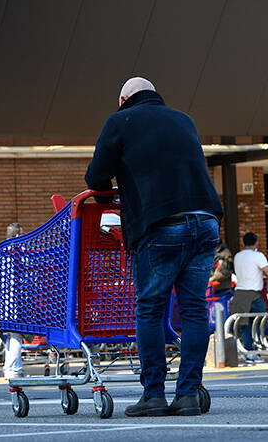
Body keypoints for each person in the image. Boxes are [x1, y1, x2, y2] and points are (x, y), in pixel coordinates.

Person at [85, 77, 223, 417]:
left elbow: (96, 176)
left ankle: (154, 395)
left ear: (123, 99)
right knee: (193, 310)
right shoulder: (184, 118)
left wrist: (110, 191)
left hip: (162, 223)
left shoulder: (120, 121)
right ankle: (189, 393)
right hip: (206, 220)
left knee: (150, 308)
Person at [0, 223, 24, 379]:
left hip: (3, 300)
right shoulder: (21, 253)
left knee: (11, 334)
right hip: (17, 300)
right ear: (17, 236)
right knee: (16, 334)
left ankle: (9, 367)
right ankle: (13, 369)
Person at [231, 232, 268, 364]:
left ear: (243, 243)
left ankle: (248, 352)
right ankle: (256, 350)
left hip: (239, 294)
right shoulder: (258, 256)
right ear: (257, 243)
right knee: (262, 321)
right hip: (253, 294)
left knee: (245, 324)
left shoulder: (238, 256)